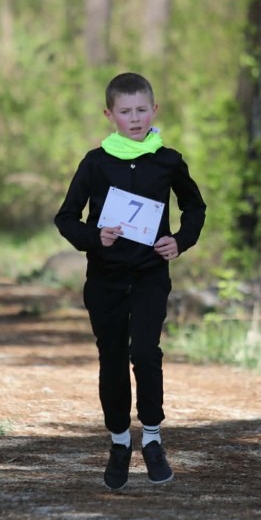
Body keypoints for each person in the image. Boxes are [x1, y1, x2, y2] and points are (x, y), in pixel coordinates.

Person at [54, 71, 206, 490]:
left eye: (142, 110)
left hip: (150, 275)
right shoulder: (95, 162)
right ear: (110, 114)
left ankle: (152, 438)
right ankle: (120, 441)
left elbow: (195, 208)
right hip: (105, 279)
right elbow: (66, 217)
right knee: (113, 359)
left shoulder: (168, 161)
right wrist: (93, 238)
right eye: (125, 112)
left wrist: (180, 241)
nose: (135, 118)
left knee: (146, 352)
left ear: (154, 110)